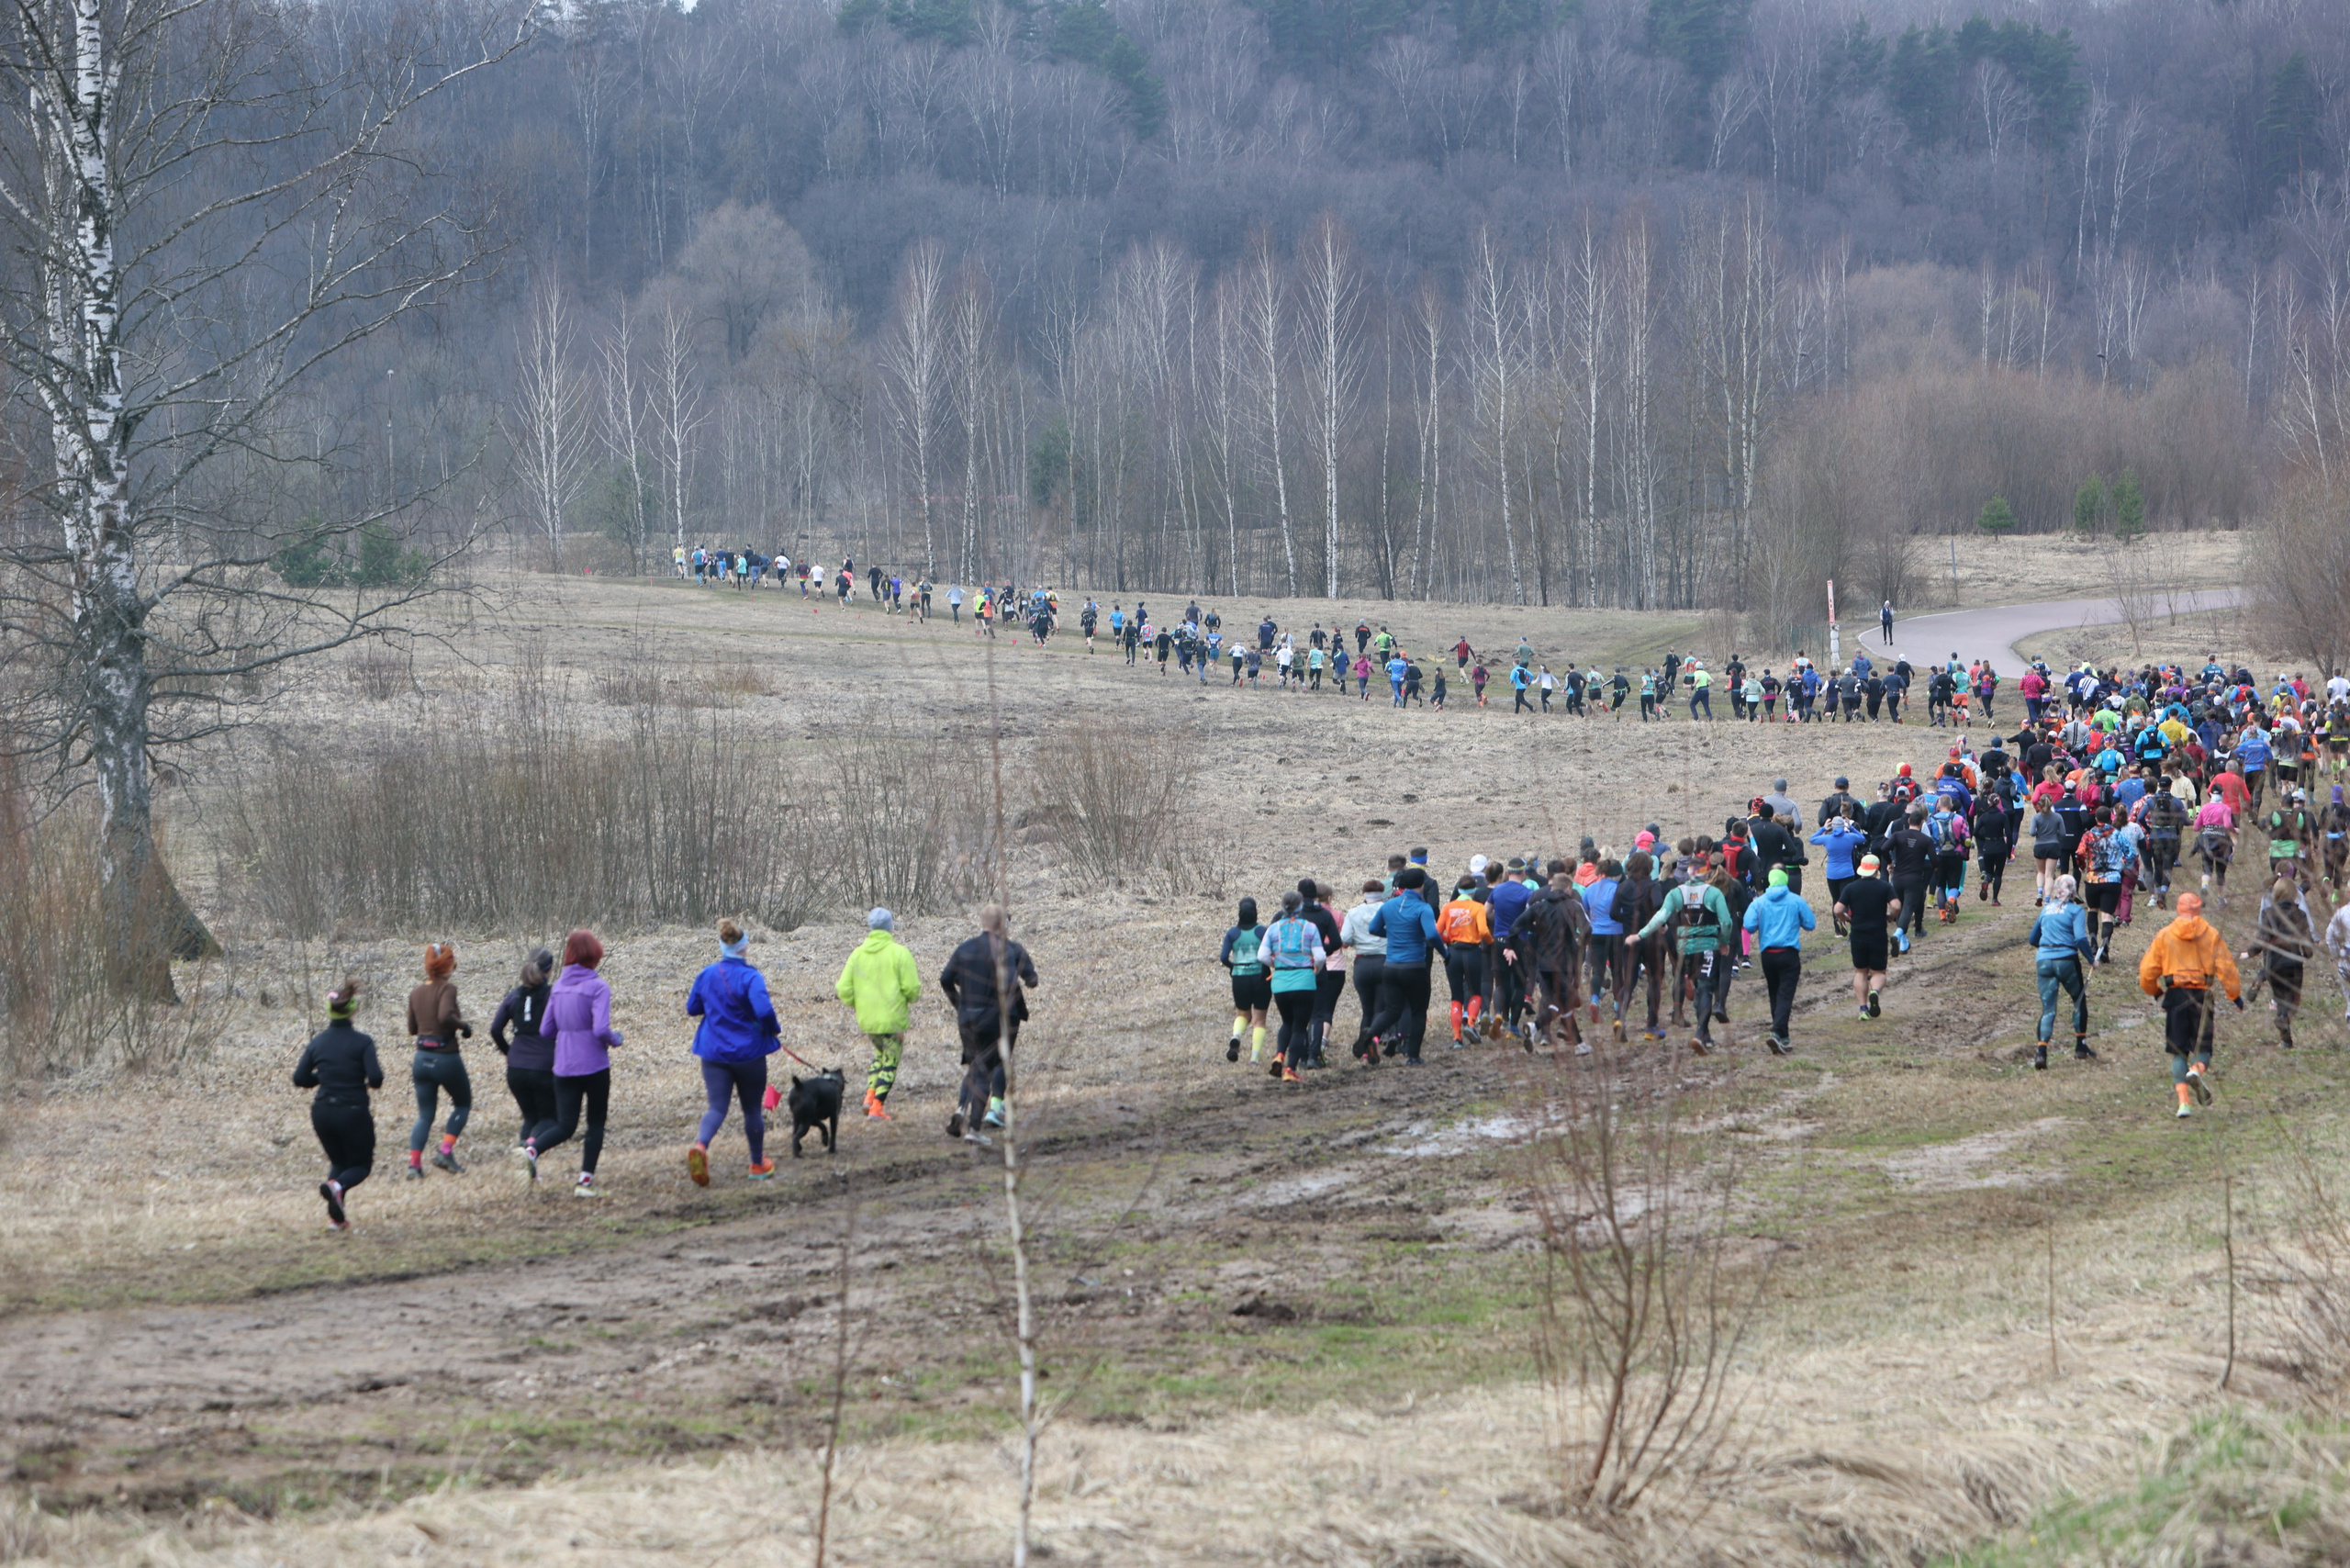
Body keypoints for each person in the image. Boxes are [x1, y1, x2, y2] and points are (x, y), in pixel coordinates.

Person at [684, 920, 782, 1184]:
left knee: (716, 1108)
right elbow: (763, 1011)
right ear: (744, 947)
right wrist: (773, 1029)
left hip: (714, 1054)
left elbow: (692, 1008)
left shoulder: (707, 974)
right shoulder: (751, 977)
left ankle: (701, 1147)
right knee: (751, 1109)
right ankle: (757, 1164)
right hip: (749, 1054)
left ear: (722, 947)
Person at [938, 903, 1037, 1143]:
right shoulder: (1011, 949)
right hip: (999, 1019)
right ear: (1003, 924)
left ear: (982, 922)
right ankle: (976, 1127)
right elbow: (1032, 981)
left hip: (968, 1018)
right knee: (991, 1066)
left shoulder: (964, 949)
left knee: (975, 1065)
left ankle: (962, 1108)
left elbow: (945, 979)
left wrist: (959, 1004)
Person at [2138, 892, 2242, 1118]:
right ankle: (2196, 1071)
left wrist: (2156, 992)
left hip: (2175, 996)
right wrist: (2234, 995)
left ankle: (2184, 1103)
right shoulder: (2211, 934)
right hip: (2202, 996)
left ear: (2178, 909)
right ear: (2199, 909)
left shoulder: (2165, 935)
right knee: (2202, 1049)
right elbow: (2227, 968)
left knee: (2178, 1052)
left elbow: (2146, 972)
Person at [535, 929, 621, 1197]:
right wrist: (615, 1039)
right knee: (595, 1124)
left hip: (563, 1066)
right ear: (594, 955)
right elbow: (600, 1029)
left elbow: (546, 1031)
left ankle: (531, 1150)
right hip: (594, 1065)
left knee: (565, 1125)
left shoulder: (558, 987)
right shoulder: (598, 987)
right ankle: (584, 1182)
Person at [293, 978, 382, 1231]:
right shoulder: (363, 1042)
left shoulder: (318, 1042)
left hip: (322, 1112)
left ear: (330, 1011)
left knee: (340, 1163)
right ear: (352, 1011)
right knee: (361, 1166)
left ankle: (337, 1220)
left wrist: (323, 1077)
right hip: (352, 1110)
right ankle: (336, 1188)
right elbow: (376, 1078)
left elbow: (299, 1078)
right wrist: (361, 1082)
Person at [1633, 870, 1734, 1054]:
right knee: (1704, 988)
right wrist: (1725, 942)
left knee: (1696, 989)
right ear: (1706, 876)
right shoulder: (1713, 893)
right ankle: (1700, 1032)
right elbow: (1726, 922)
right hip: (1706, 946)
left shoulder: (1676, 894)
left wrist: (1640, 934)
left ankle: (1705, 1035)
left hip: (1684, 948)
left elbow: (1660, 917)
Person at [836, 908, 921, 1120]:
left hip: (868, 1021)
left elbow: (844, 989)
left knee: (879, 1057)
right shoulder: (900, 953)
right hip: (893, 1021)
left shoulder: (857, 954)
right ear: (891, 927)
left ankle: (869, 1097)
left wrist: (860, 1004)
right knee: (890, 1061)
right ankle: (877, 1107)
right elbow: (912, 989)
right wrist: (908, 1000)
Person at [405, 943, 474, 1179]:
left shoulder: (415, 992)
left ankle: (414, 1165)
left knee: (425, 1115)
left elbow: (412, 1028)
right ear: (447, 966)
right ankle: (445, 1151)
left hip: (421, 1059)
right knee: (462, 1104)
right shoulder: (448, 989)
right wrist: (464, 1025)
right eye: (452, 963)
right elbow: (445, 1016)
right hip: (446, 1058)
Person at [490, 947, 556, 1182]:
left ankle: (528, 1171)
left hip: (516, 1068)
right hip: (544, 1066)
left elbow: (495, 1029)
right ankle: (527, 1148)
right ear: (550, 970)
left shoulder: (513, 996)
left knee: (530, 1117)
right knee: (550, 1119)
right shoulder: (552, 995)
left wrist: (509, 1053)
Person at [1366, 867, 1443, 1064]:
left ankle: (1367, 1035)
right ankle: (1413, 1056)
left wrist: (1391, 934)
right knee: (1418, 1012)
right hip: (1415, 967)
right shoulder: (1423, 908)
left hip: (1391, 966)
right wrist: (1445, 953)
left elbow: (1374, 928)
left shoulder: (1388, 905)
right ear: (1421, 885)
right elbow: (1433, 935)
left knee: (1391, 1011)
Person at [1742, 867, 1815, 1054]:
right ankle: (1776, 1031)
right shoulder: (1795, 900)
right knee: (1785, 995)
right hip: (1788, 953)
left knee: (1775, 993)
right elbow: (1810, 924)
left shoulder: (1759, 902)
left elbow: (1749, 926)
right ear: (1785, 880)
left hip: (1768, 955)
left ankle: (1783, 1036)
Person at [2028, 875, 2096, 1069]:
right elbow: (2080, 939)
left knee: (2048, 1009)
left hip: (2043, 960)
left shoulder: (2046, 910)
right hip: (2066, 961)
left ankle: (2041, 1051)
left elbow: (2033, 939)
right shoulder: (2076, 911)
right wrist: (2092, 960)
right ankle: (2080, 1046)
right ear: (2073, 891)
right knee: (2078, 1000)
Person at [1259, 890, 1327, 1081]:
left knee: (1287, 1022)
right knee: (1299, 1026)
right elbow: (1320, 956)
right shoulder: (1310, 928)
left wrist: (1276, 964)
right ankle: (1290, 1069)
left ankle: (1279, 1054)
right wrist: (1315, 969)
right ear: (1300, 907)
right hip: (1304, 980)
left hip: (1280, 982)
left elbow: (1262, 956)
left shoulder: (1273, 929)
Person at [2245, 877, 2315, 1048]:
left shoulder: (2268, 913)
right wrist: (2307, 953)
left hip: (2273, 963)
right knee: (2292, 1001)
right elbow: (2307, 944)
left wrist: (2249, 952)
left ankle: (2286, 1041)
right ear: (2293, 894)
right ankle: (2284, 1024)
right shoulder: (2300, 915)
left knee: (2279, 998)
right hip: (2293, 962)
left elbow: (2261, 939)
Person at [1834, 855, 1899, 1021]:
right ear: (1877, 870)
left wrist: (1845, 919)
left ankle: (1863, 1009)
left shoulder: (1851, 888)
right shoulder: (1884, 887)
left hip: (1858, 934)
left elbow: (1837, 909)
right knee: (1879, 972)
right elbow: (1897, 906)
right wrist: (1891, 916)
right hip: (1877, 933)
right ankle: (1875, 991)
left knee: (1860, 972)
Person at [1436, 877, 1492, 1047]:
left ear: (1458, 890)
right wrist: (1491, 942)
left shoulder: (1448, 907)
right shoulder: (1477, 907)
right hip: (1473, 952)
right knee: (1475, 992)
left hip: (1453, 953)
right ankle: (1471, 1024)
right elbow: (1483, 931)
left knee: (1456, 996)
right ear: (1473, 890)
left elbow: (1437, 931)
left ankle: (1457, 1038)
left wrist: (1448, 940)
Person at [1340, 882, 1390, 1061]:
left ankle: (1364, 1049)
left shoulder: (1353, 912)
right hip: (1384, 961)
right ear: (1382, 893)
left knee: (1366, 1010)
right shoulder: (1387, 909)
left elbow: (1344, 938)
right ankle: (1373, 1040)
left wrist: (1359, 942)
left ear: (1363, 893)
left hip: (1362, 963)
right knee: (1380, 1008)